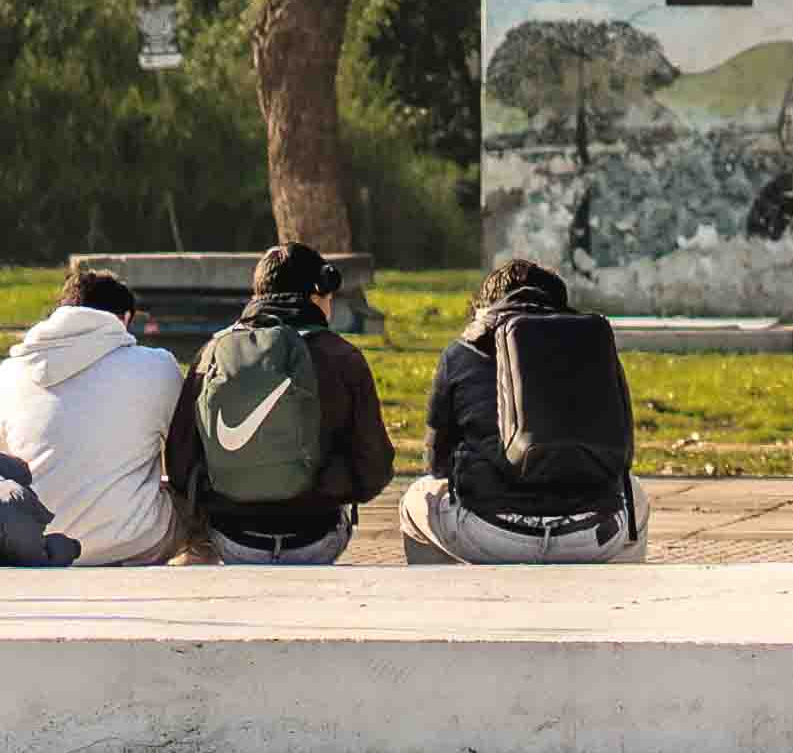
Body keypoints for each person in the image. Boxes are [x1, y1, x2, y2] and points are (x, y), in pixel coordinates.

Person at [161, 238, 391, 564]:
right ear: (318, 292)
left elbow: (180, 465)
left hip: (232, 538)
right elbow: (375, 468)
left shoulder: (213, 353)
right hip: (317, 538)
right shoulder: (343, 357)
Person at [401, 256, 643, 563]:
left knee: (415, 498)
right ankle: (623, 590)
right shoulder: (595, 350)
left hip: (492, 531)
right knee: (636, 495)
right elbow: (624, 455)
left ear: (487, 304)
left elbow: (436, 463)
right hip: (592, 532)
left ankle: (447, 592)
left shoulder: (461, 352)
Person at [0, 261, 186, 564]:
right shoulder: (157, 366)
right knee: (191, 505)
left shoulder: (11, 370)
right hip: (134, 541)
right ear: (125, 318)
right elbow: (184, 458)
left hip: (37, 543)